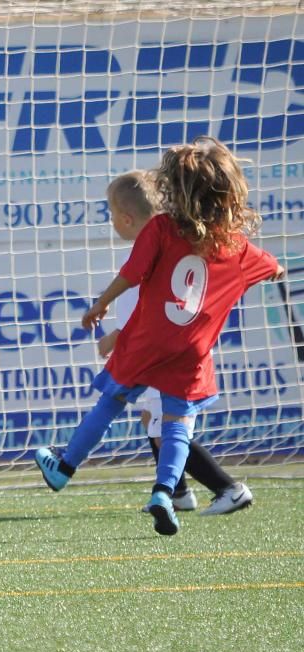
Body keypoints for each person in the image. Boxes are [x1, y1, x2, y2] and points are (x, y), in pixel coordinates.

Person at [34, 137, 283, 536]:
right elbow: (272, 267)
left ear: (176, 189)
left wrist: (99, 305)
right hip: (192, 351)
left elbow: (132, 273)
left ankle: (64, 467)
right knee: (177, 424)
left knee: (111, 400)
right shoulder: (238, 247)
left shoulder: (162, 228)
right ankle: (165, 492)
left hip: (148, 341)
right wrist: (276, 271)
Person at [97, 170, 253, 516]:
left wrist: (115, 339)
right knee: (153, 420)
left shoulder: (155, 253)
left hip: (166, 359)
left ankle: (228, 488)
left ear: (126, 217)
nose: (110, 221)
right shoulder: (162, 245)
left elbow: (153, 319)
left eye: (110, 213)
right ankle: (178, 492)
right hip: (162, 357)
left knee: (168, 428)